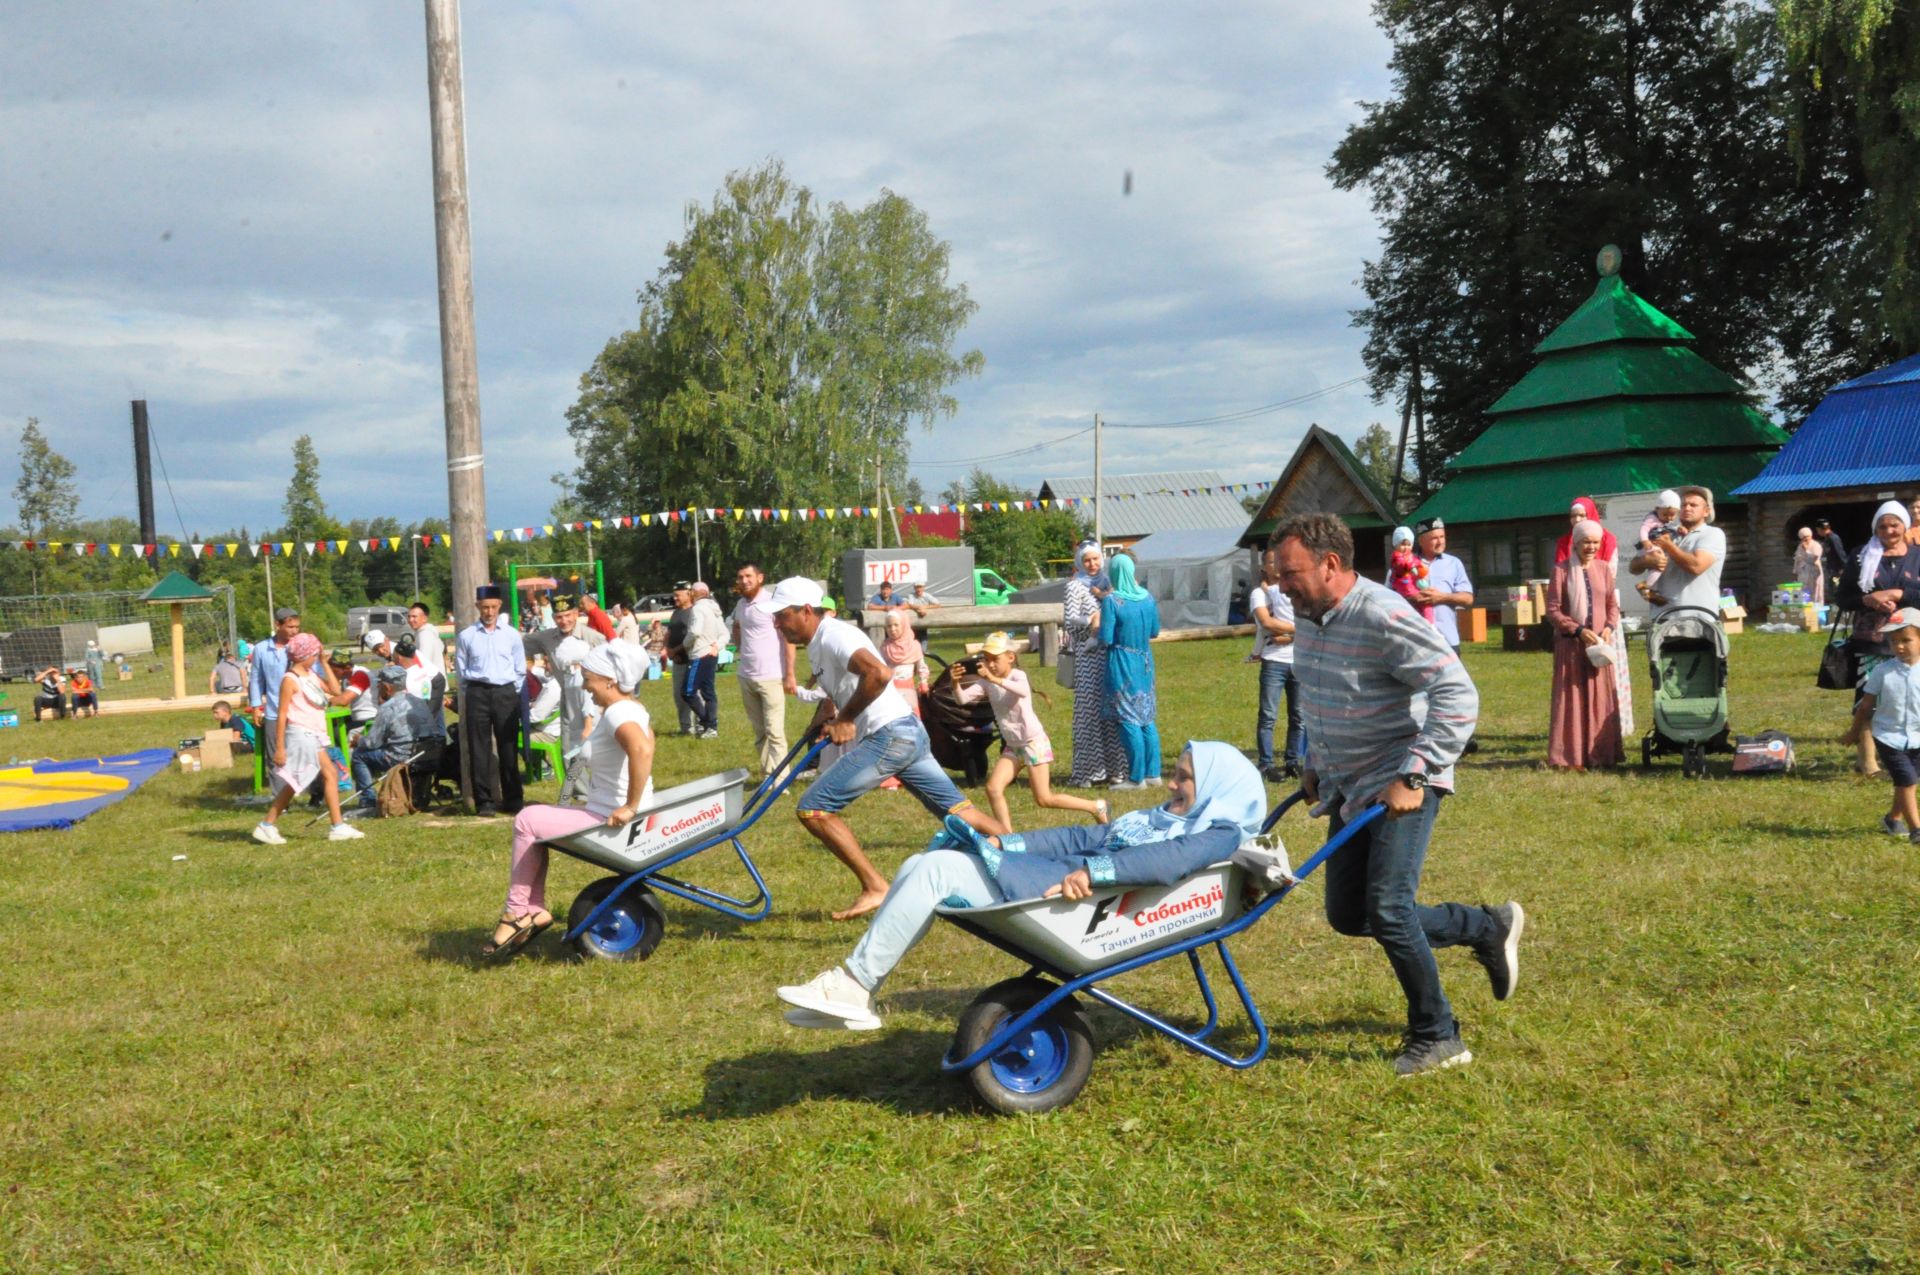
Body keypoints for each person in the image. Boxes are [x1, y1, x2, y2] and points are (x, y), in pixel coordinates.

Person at [1272, 512, 1522, 1078]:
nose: (1283, 586)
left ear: (1331, 564)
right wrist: (1315, 760)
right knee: (1348, 914)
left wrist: (1415, 773)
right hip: (1351, 785)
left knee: (1387, 908)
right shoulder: (1311, 616)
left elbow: (1457, 691)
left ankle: (1438, 1034)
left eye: (1291, 573)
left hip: (1402, 778)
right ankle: (1486, 928)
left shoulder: (1382, 613)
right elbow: (1319, 691)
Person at [776, 742, 1262, 1030]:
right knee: (918, 863)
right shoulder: (1159, 817)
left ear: (1219, 788)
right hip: (1066, 891)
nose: (1172, 785)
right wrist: (1005, 844)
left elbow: (1168, 861)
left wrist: (1095, 873)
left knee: (936, 871)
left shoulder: (1217, 833)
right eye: (1175, 775)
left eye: (1185, 779)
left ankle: (853, 985)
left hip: (1081, 905)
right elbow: (1080, 835)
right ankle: (856, 993)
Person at [760, 577, 1006, 921]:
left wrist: (846, 718)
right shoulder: (819, 641)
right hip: (905, 733)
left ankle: (875, 886)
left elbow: (878, 673)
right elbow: (839, 691)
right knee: (960, 813)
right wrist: (824, 719)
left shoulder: (835, 635)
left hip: (889, 736)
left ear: (805, 611)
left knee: (813, 808)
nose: (776, 623)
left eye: (781, 615)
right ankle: (1023, 855)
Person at [482, 644, 656, 959]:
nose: (586, 687)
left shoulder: (619, 712)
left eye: (589, 679)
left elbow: (642, 751)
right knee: (537, 823)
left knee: (527, 819)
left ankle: (517, 912)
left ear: (609, 680)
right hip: (608, 811)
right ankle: (532, 911)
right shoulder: (631, 708)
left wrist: (630, 805)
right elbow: (643, 746)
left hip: (612, 817)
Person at [958, 631, 1107, 830]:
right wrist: (954, 682)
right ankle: (1007, 836)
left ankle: (1096, 806)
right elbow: (962, 699)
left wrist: (994, 679)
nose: (990, 664)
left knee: (1044, 799)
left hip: (1033, 743)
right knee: (993, 788)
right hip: (1013, 745)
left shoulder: (1018, 676)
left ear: (1010, 657)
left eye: (995, 659)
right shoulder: (986, 681)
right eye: (986, 659)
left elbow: (1021, 691)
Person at [251, 633, 364, 844]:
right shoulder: (290, 680)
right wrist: (279, 748)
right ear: (304, 655)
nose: (316, 657)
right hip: (300, 734)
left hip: (313, 734)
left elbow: (335, 690)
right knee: (296, 781)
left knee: (326, 774)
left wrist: (323, 662)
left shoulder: (310, 674)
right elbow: (281, 714)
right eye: (314, 654)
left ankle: (337, 826)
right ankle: (267, 825)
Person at [1836, 502, 1920, 778]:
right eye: (1882, 526)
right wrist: (1867, 599)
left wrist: (1900, 595)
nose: (1889, 531)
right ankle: (1868, 761)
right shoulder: (1861, 556)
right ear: (1875, 528)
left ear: (1905, 526)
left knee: (1913, 697)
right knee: (1869, 698)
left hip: (1913, 638)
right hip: (1871, 639)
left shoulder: (1918, 556)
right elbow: (1843, 598)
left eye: (1894, 525)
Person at [1545, 520, 1624, 770]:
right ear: (1576, 544)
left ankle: (1601, 754)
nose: (1590, 547)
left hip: (1600, 645)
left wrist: (1609, 627)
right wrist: (1577, 630)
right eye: (1586, 542)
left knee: (1600, 699)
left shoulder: (1603, 569)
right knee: (1572, 700)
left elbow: (1613, 604)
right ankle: (1571, 757)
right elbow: (1553, 610)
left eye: (1595, 542)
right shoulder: (1561, 570)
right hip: (1572, 647)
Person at [1841, 608, 1920, 845]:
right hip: (1889, 736)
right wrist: (1854, 732)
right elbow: (1865, 707)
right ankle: (1917, 830)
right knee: (1906, 781)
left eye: (1906, 640)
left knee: (1909, 781)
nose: (1899, 647)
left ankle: (1892, 818)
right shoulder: (1882, 672)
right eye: (1894, 641)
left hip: (1917, 737)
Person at [455, 584, 527, 817]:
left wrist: (511, 691)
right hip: (478, 692)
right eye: (485, 607)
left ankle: (513, 799)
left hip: (505, 692)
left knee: (507, 747)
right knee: (479, 748)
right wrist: (473, 691)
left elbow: (520, 668)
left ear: (499, 607)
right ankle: (484, 801)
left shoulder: (511, 635)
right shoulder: (467, 636)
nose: (489, 612)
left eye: (493, 607)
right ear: (478, 607)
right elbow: (461, 668)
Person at [1064, 542, 1127, 787]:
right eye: (1087, 560)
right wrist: (1090, 620)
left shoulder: (1109, 584)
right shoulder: (1074, 587)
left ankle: (1116, 769)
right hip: (1088, 656)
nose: (1092, 565)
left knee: (1113, 712)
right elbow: (1069, 621)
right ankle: (1087, 772)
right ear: (1080, 562)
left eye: (1096, 559)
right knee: (1089, 713)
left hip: (1110, 655)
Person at [1099, 553, 1162, 790]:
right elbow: (1154, 631)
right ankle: (1153, 772)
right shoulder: (1148, 598)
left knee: (1128, 718)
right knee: (1147, 717)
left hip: (1122, 661)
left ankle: (1136, 778)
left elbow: (1106, 637)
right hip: (1145, 660)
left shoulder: (1113, 601)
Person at [731, 563, 795, 778]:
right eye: (740, 577)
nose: (744, 580)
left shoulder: (772, 603)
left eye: (748, 576)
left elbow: (788, 639)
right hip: (746, 676)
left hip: (772, 676)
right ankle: (769, 775)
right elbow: (737, 626)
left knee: (774, 731)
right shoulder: (741, 605)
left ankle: (782, 779)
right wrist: (740, 645)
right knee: (760, 733)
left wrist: (790, 674)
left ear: (760, 578)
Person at [1630, 486, 1725, 620]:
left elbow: (1696, 566)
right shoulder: (1663, 531)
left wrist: (1668, 546)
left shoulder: (1713, 534)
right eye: (1683, 505)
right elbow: (1633, 567)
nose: (1687, 508)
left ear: (1706, 511)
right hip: (1662, 617)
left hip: (1698, 617)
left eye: (1693, 505)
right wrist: (1645, 561)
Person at [1249, 546, 1300, 782]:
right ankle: (1266, 763)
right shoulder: (1260, 594)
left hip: (1298, 659)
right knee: (1268, 715)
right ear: (1264, 567)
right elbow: (1267, 624)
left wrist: (1290, 634)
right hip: (1274, 661)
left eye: (1279, 561)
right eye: (1271, 562)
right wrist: (1299, 631)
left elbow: (1309, 618)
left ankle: (1293, 762)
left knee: (1298, 716)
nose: (1276, 566)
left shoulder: (1296, 590)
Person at [350, 666, 424, 808]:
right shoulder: (419, 702)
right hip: (423, 754)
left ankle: (367, 800)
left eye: (379, 685)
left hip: (400, 757)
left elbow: (372, 742)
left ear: (387, 687)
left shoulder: (388, 708)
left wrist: (359, 740)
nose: (377, 687)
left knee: (359, 755)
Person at [247, 607, 302, 748]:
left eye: (297, 627)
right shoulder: (261, 648)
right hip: (274, 711)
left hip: (300, 711)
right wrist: (256, 706)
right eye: (290, 627)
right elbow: (256, 679)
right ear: (278, 625)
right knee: (276, 756)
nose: (294, 631)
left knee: (300, 755)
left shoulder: (302, 646)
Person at [685, 582, 726, 738]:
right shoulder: (714, 609)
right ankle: (711, 728)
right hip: (711, 654)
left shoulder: (698, 609)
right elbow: (724, 634)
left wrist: (684, 645)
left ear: (695, 593)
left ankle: (708, 723)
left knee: (688, 692)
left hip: (699, 654)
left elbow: (695, 632)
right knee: (708, 692)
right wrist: (717, 646)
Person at [1634, 491, 1682, 605]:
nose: (1669, 518)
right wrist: (1645, 541)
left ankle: (1651, 589)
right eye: (1665, 515)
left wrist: (1679, 529)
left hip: (1653, 545)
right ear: (1657, 509)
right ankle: (1645, 586)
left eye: (1673, 515)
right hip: (1649, 545)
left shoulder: (1666, 520)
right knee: (1661, 562)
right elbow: (1644, 529)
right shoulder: (1652, 518)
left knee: (1657, 567)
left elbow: (1672, 527)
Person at [665, 583, 697, 735]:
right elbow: (669, 633)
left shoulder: (694, 613)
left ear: (688, 594)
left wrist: (676, 650)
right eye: (674, 594)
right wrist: (668, 649)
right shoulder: (676, 613)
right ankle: (686, 728)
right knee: (679, 695)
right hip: (677, 661)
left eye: (678, 595)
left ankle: (702, 726)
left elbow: (693, 637)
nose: (675, 597)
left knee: (695, 694)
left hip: (691, 660)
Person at [1386, 526, 1432, 621]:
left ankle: (1429, 623)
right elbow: (1388, 588)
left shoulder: (1415, 560)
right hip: (1403, 596)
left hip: (1416, 593)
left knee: (1427, 607)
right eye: (1403, 544)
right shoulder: (1395, 563)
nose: (1406, 548)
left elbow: (1422, 574)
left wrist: (1422, 572)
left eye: (1409, 544)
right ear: (1396, 545)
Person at [329, 649, 377, 730]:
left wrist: (328, 700)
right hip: (356, 718)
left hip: (369, 719)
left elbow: (343, 700)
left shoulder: (360, 674)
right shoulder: (346, 678)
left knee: (334, 733)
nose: (333, 674)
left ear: (347, 668)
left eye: (335, 671)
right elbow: (335, 692)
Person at [405, 602, 445, 678]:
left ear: (425, 619)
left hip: (431, 681)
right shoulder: (426, 632)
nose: (410, 620)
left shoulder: (425, 634)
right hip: (434, 680)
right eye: (409, 616)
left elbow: (423, 660)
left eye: (414, 616)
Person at [1813, 518, 1849, 604]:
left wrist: (1844, 568)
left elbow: (1840, 553)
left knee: (1836, 591)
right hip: (1833, 569)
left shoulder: (1833, 538)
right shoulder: (1827, 538)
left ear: (1820, 529)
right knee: (1833, 591)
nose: (1817, 532)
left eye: (1818, 530)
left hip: (1837, 570)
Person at [1793, 527, 1826, 605]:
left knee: (1816, 594)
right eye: (1803, 537)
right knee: (1804, 594)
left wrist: (1806, 550)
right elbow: (1797, 559)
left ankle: (1817, 613)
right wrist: (1795, 572)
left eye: (1807, 536)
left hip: (1814, 572)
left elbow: (1814, 559)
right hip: (1803, 574)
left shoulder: (1816, 545)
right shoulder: (1800, 546)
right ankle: (1806, 612)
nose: (1806, 539)